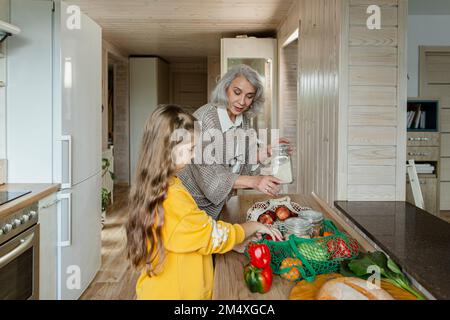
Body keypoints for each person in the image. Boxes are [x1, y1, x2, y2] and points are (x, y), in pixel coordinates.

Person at [125, 104, 282, 300]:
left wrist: (232, 243)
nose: (193, 156)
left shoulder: (162, 184)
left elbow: (192, 232)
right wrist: (251, 226)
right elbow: (211, 236)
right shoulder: (173, 198)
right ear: (169, 149)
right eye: (190, 149)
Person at [178, 64, 292, 220]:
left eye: (249, 96)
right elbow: (212, 179)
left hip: (219, 206)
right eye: (237, 92)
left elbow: (242, 160)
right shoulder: (204, 120)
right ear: (225, 89)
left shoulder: (242, 119)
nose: (242, 101)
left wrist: (267, 151)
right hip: (192, 205)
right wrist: (255, 182)